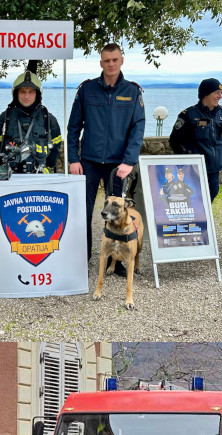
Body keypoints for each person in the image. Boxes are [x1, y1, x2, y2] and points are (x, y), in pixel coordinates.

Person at [67, 44, 147, 270]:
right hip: (88, 162)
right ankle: (82, 258)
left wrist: (129, 161)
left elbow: (137, 129)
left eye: (114, 60)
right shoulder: (87, 89)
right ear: (100, 62)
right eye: (106, 60)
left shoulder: (132, 92)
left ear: (121, 60)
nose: (110, 64)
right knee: (82, 211)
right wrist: (74, 159)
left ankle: (117, 260)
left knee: (118, 215)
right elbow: (74, 127)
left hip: (118, 165)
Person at [168, 79, 222, 202]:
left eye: (221, 92)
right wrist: (187, 158)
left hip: (214, 167)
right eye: (217, 93)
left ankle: (204, 219)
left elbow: (220, 138)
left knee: (212, 193)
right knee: (192, 196)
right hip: (194, 167)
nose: (220, 96)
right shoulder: (188, 114)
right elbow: (174, 140)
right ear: (206, 94)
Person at [0, 71, 63, 175]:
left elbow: (56, 146)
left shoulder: (47, 118)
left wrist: (49, 167)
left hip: (41, 177)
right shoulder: (6, 117)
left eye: (31, 92)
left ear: (37, 94)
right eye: (23, 91)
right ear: (16, 93)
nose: (26, 96)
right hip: (12, 177)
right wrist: (0, 167)